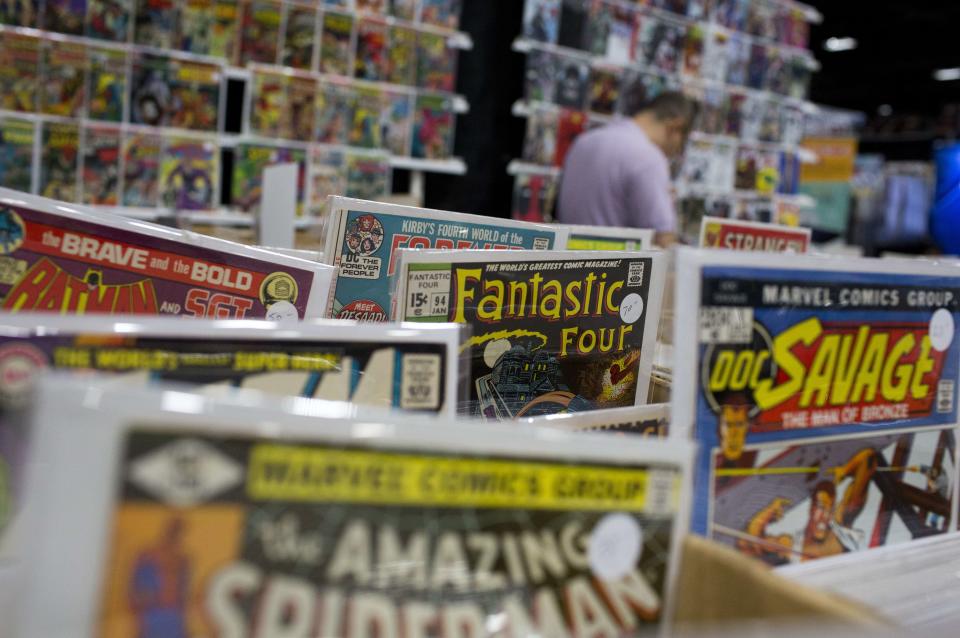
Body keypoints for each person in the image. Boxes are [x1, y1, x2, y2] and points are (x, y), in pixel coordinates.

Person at [556, 89, 698, 245]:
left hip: (567, 262)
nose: (677, 151)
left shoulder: (585, 141)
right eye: (682, 143)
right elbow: (663, 239)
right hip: (613, 266)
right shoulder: (649, 158)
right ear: (674, 128)